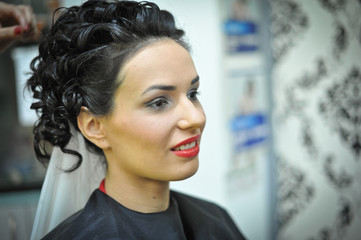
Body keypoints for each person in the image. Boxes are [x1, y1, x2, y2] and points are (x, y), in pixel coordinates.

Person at [27, 0, 246, 239]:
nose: (196, 117)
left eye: (192, 94)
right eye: (159, 102)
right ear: (95, 127)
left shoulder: (217, 221)